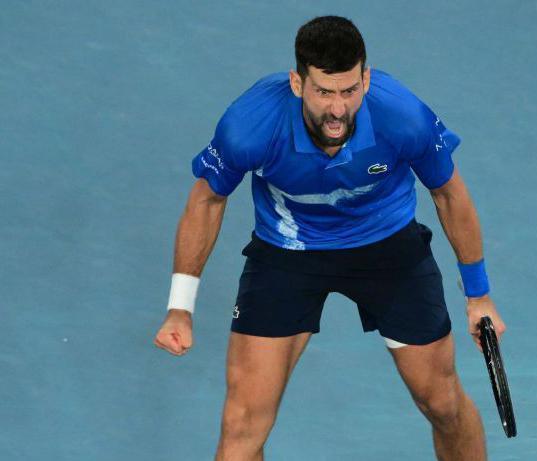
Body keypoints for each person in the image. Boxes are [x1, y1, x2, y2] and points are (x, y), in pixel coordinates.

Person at [153, 15, 506, 461]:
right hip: (288, 252)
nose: (338, 109)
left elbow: (448, 193)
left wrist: (478, 295)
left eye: (349, 91)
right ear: (298, 83)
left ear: (366, 79)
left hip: (388, 250)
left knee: (441, 403)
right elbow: (205, 203)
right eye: (324, 92)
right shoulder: (251, 125)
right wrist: (179, 308)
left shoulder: (403, 117)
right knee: (242, 426)